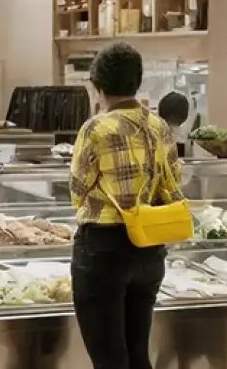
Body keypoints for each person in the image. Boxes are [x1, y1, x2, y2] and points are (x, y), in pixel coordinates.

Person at [70, 42, 183, 369]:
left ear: (97, 85)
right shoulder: (159, 125)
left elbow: (78, 189)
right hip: (150, 248)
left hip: (104, 250)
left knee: (109, 360)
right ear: (137, 81)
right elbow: (175, 179)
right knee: (137, 356)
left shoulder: (95, 128)